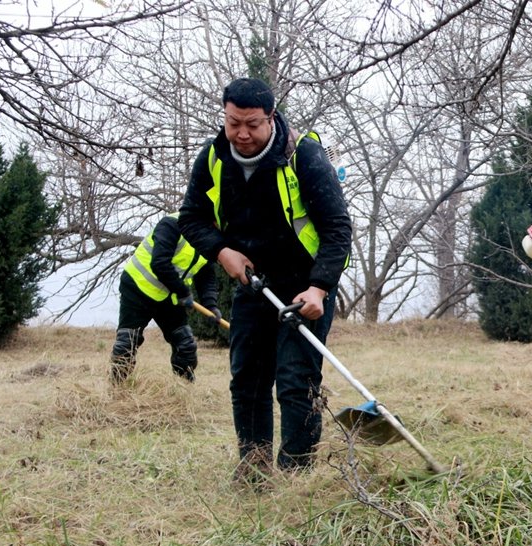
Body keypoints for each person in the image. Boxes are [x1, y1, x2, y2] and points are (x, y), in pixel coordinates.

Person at [178, 78, 351, 479]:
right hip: (252, 284)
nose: (242, 134)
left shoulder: (303, 155)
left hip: (306, 284)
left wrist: (320, 287)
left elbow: (338, 227)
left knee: (295, 380)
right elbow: (192, 217)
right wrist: (222, 252)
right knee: (247, 379)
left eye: (252, 124)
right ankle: (254, 471)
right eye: (233, 122)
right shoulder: (213, 157)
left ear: (271, 118)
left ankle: (296, 476)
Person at [110, 212, 220, 384]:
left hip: (170, 295)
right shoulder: (172, 224)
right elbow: (159, 263)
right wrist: (183, 292)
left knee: (186, 346)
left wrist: (210, 305)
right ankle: (117, 391)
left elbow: (206, 272)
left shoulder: (210, 237)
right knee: (126, 344)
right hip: (138, 288)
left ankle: (183, 391)